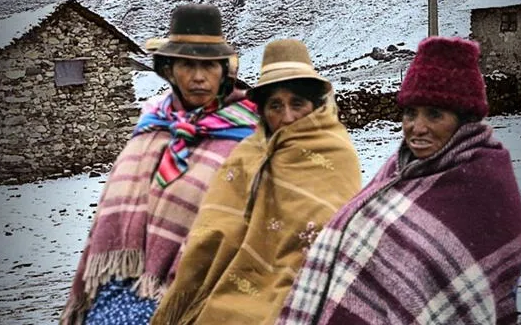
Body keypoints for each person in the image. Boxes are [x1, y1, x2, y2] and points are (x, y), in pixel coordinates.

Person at [277, 36, 521, 325]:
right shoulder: (401, 168)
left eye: (434, 114)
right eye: (410, 113)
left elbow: (457, 288)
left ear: (465, 120)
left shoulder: (483, 186)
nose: (417, 127)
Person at [59, 3, 259, 325]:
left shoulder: (248, 136)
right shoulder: (153, 124)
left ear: (224, 71)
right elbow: (115, 208)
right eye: (186, 64)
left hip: (195, 297)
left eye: (208, 66)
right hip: (116, 286)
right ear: (168, 70)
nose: (198, 77)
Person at [151, 39, 362, 325]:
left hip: (306, 290)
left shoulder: (335, 154)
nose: (286, 116)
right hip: (234, 282)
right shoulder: (248, 154)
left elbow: (333, 238)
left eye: (297, 103)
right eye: (275, 105)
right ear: (262, 111)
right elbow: (214, 228)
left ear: (314, 105)